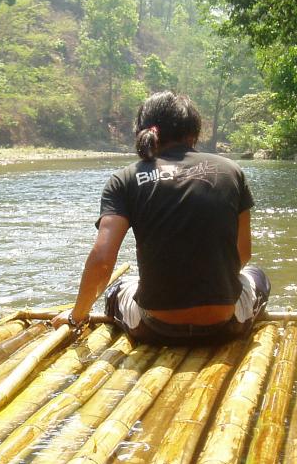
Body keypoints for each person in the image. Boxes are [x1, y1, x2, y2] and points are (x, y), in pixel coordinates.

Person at [52, 91, 270, 345]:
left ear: (144, 131)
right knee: (257, 275)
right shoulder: (231, 170)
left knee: (116, 289)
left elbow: (102, 262)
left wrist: (76, 317)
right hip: (224, 323)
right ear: (194, 132)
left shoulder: (125, 179)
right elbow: (243, 254)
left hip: (156, 326)